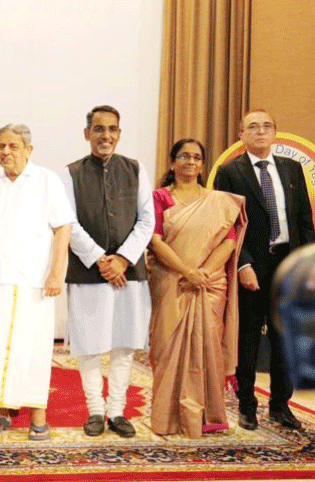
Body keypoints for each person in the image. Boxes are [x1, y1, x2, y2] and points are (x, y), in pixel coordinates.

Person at [0, 124, 73, 440]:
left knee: (33, 348)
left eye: (13, 146)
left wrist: (56, 273)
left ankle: (38, 413)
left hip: (34, 282)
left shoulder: (46, 181)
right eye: (1, 146)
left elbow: (63, 228)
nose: (6, 152)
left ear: (28, 149)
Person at [213, 109, 314, 430]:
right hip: (253, 265)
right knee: (248, 337)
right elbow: (227, 224)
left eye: (267, 126)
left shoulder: (292, 168)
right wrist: (243, 263)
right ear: (241, 134)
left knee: (286, 337)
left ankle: (280, 405)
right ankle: (247, 405)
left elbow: (304, 221)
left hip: (289, 265)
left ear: (275, 132)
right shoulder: (230, 172)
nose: (260, 131)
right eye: (253, 127)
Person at [63, 105, 154, 438]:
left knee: (124, 343)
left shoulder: (135, 169)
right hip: (88, 272)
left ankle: (116, 410)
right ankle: (95, 411)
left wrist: (123, 260)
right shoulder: (71, 173)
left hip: (129, 273)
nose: (106, 135)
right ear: (87, 133)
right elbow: (69, 223)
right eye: (99, 129)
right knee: (89, 344)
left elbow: (147, 219)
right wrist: (102, 260)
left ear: (119, 133)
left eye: (112, 129)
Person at [147, 138, 246, 438]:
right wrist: (187, 271)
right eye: (184, 156)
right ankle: (168, 418)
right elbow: (155, 241)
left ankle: (207, 417)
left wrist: (203, 272)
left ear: (203, 164)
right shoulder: (160, 198)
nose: (190, 162)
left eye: (196, 157)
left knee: (208, 347)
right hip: (171, 281)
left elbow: (229, 241)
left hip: (209, 284)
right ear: (172, 161)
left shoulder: (219, 201)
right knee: (167, 348)